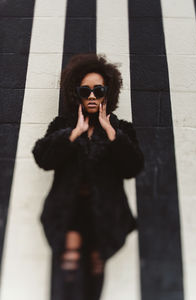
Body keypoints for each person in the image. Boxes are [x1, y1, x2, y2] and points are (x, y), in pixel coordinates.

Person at [32, 53, 145, 300]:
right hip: (68, 211)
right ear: (77, 94)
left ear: (108, 92)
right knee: (66, 275)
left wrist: (112, 133)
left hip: (104, 214)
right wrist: (73, 134)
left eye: (98, 90)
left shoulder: (121, 129)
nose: (92, 96)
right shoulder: (63, 125)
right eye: (85, 91)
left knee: (94, 274)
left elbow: (133, 167)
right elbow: (43, 158)